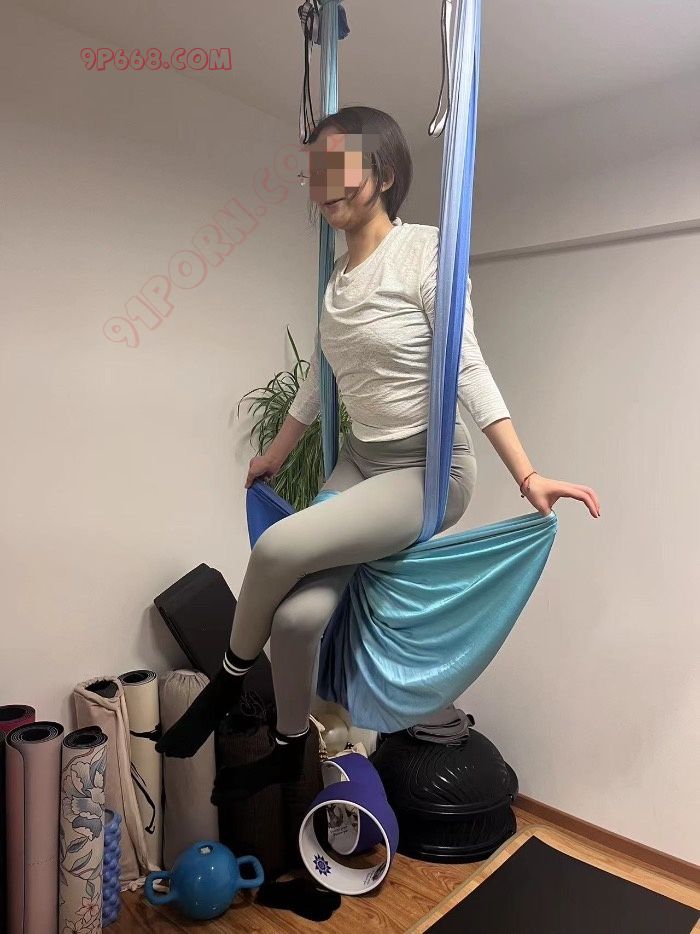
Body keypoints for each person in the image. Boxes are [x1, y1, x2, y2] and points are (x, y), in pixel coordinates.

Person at [157, 106, 601, 802]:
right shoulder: (337, 277)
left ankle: (224, 690)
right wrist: (276, 454)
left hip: (426, 472)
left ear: (384, 174)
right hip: (361, 462)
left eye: (338, 167)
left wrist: (527, 473)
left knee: (277, 549)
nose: (324, 186)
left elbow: (466, 365)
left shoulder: (425, 252)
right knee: (297, 621)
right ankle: (288, 747)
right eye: (316, 172)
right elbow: (321, 377)